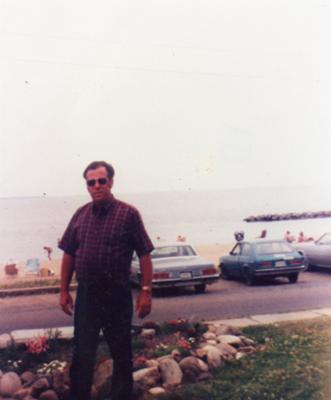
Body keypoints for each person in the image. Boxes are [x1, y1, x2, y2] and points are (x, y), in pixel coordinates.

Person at [58, 161, 154, 400]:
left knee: (121, 352)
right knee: (82, 354)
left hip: (116, 295)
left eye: (102, 181)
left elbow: (144, 253)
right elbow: (69, 253)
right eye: (91, 182)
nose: (97, 186)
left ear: (111, 182)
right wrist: (63, 290)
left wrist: (145, 291)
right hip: (87, 296)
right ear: (87, 186)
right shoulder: (80, 214)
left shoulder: (128, 214)